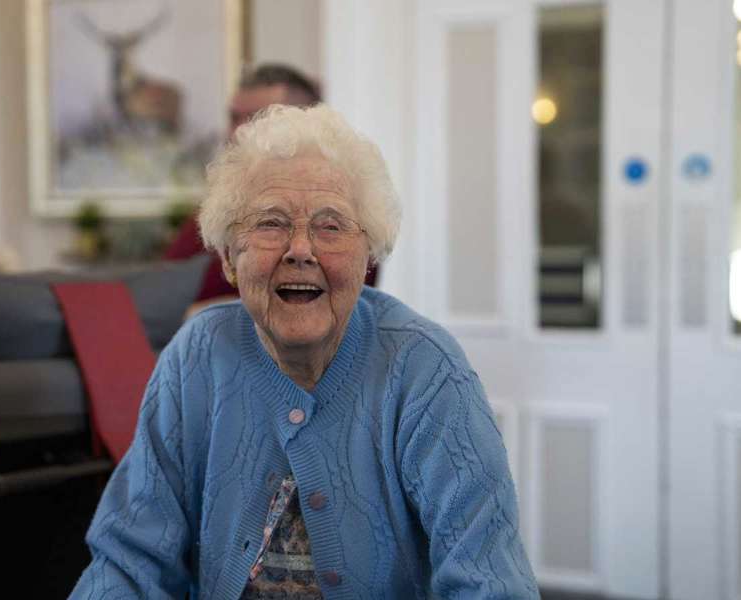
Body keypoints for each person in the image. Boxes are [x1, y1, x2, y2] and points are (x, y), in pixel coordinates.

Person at [69, 104, 539, 599]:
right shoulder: (196, 359)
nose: (300, 249)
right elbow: (128, 561)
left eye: (330, 226)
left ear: (367, 259)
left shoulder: (425, 372)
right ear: (229, 257)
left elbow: (489, 582)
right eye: (270, 223)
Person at [165, 64, 378, 311]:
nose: (238, 131)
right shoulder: (218, 206)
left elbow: (334, 304)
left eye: (257, 118)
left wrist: (211, 315)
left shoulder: (349, 214)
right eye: (234, 117)